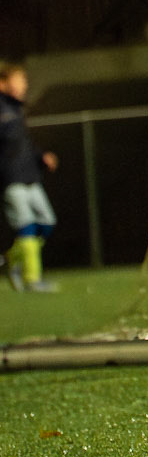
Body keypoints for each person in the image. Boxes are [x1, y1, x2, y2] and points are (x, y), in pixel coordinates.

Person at [1, 61, 59, 293]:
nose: (24, 85)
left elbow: (23, 143)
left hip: (30, 175)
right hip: (10, 178)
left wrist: (41, 156)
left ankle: (12, 258)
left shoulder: (16, 109)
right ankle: (32, 279)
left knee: (46, 223)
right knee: (26, 225)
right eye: (19, 80)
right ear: (3, 83)